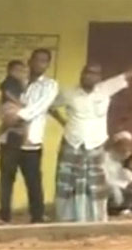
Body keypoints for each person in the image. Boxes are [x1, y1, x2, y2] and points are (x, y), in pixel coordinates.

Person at [52, 63, 132, 223]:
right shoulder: (69, 93)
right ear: (82, 74)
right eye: (87, 72)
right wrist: (63, 122)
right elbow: (50, 106)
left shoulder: (106, 89)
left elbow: (126, 75)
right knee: (69, 183)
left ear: (99, 77)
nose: (89, 76)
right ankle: (67, 218)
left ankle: (95, 219)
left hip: (95, 144)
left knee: (95, 185)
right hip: (73, 142)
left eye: (94, 73)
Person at [1, 48, 58, 224]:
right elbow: (4, 101)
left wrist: (18, 115)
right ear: (30, 61)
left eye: (44, 60)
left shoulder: (50, 85)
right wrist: (6, 115)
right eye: (37, 59)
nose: (39, 63)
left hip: (31, 140)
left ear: (48, 64)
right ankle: (4, 217)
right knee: (6, 180)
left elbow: (41, 106)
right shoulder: (18, 81)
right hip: (10, 137)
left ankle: (37, 216)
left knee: (33, 181)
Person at [0, 60, 28, 153]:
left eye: (22, 71)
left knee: (25, 124)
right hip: (8, 104)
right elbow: (7, 94)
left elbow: (25, 92)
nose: (19, 73)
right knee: (11, 120)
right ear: (9, 71)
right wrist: (18, 103)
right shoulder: (8, 81)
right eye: (17, 70)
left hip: (17, 105)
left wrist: (22, 81)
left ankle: (23, 145)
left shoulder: (19, 82)